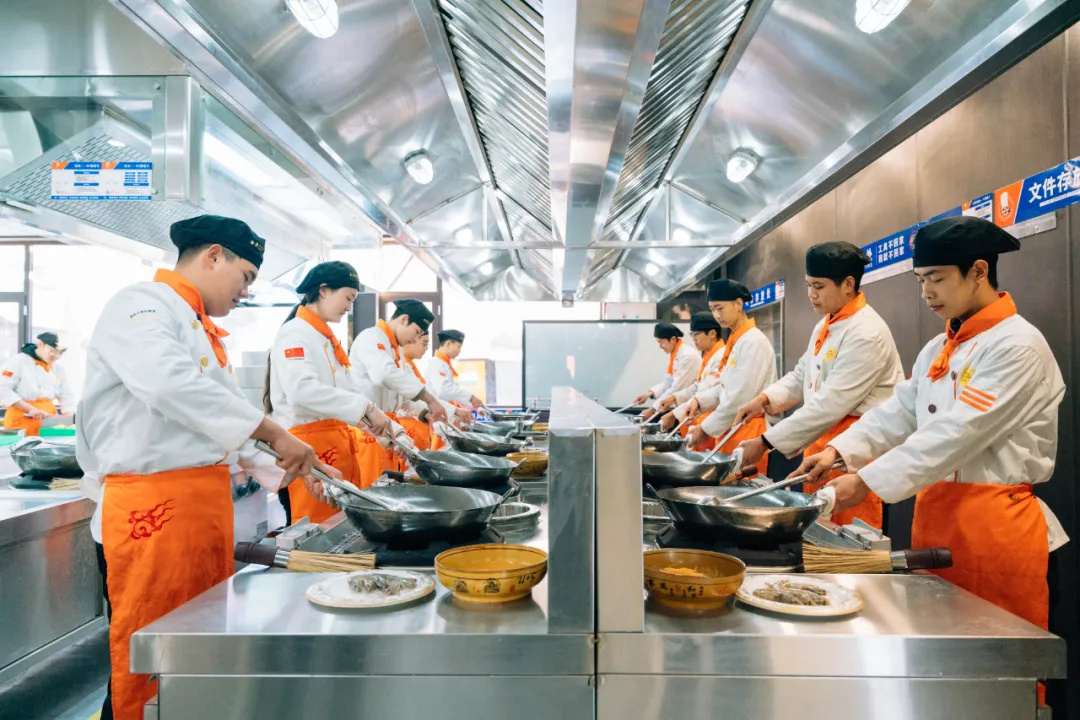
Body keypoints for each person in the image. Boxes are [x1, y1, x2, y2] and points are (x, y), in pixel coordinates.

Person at [75, 215, 339, 720]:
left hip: (198, 513)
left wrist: (294, 468)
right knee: (150, 657)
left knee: (191, 651)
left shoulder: (197, 327)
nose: (246, 292)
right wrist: (275, 433)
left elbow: (217, 427)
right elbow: (169, 384)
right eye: (246, 277)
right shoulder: (141, 304)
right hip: (150, 517)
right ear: (214, 255)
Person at [795, 217, 1067, 704]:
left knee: (999, 675)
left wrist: (865, 481)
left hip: (994, 529)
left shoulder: (1018, 345)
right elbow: (898, 412)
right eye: (921, 280)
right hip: (936, 518)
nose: (926, 293)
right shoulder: (940, 347)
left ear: (979, 271)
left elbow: (954, 435)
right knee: (945, 665)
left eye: (937, 279)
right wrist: (838, 453)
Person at [732, 243, 903, 528]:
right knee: (817, 532)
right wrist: (764, 399)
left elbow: (830, 404)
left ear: (848, 284)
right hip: (821, 448)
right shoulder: (826, 324)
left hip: (851, 454)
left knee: (847, 539)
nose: (811, 294)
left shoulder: (867, 332)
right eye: (809, 285)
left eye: (819, 286)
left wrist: (765, 442)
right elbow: (802, 374)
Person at [265, 261, 400, 524]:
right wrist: (368, 409)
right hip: (309, 453)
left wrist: (388, 433)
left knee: (341, 529)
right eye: (348, 298)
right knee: (318, 531)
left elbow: (345, 397)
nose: (349, 307)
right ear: (324, 290)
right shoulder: (295, 333)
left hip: (336, 450)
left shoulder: (325, 338)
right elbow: (302, 390)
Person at [685, 279, 777, 475]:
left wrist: (705, 428)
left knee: (744, 487)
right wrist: (699, 401)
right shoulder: (737, 341)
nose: (717, 315)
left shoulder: (753, 342)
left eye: (720, 308)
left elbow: (739, 398)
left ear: (738, 304)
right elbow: (725, 388)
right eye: (713, 309)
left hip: (747, 430)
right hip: (731, 429)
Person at [349, 299, 448, 478]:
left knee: (389, 483)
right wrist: (429, 398)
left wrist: (424, 411)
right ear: (403, 319)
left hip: (390, 429)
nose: (415, 339)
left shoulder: (396, 350)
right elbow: (383, 374)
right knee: (374, 485)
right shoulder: (371, 337)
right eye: (416, 332)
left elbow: (401, 395)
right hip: (370, 429)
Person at [655, 313, 725, 446]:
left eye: (696, 334)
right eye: (691, 335)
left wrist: (673, 414)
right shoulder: (709, 356)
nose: (693, 339)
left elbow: (709, 393)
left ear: (712, 333)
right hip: (699, 420)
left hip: (710, 423)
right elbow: (698, 386)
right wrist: (674, 398)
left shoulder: (721, 357)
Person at [398, 331, 471, 453]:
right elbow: (440, 392)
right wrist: (457, 408)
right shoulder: (434, 365)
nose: (426, 349)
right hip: (408, 429)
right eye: (424, 343)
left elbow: (422, 399)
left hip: (428, 423)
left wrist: (453, 411)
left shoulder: (409, 366)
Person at [0, 332, 74, 435]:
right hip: (22, 419)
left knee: (48, 444)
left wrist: (68, 415)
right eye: (52, 351)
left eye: (60, 353)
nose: (56, 356)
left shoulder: (57, 367)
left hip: (48, 420)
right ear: (40, 344)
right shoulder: (18, 362)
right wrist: (31, 409)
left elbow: (65, 393)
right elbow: (3, 389)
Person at [635, 322, 701, 417]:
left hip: (694, 410)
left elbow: (677, 388)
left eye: (661, 342)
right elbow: (668, 382)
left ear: (673, 339)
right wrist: (649, 394)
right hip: (684, 409)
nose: (660, 346)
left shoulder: (688, 356)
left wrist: (652, 410)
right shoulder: (676, 355)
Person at [427, 329, 486, 411]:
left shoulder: (444, 364)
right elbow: (443, 390)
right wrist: (471, 397)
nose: (459, 351)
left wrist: (471, 405)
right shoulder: (436, 364)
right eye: (459, 347)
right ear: (448, 344)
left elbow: (453, 393)